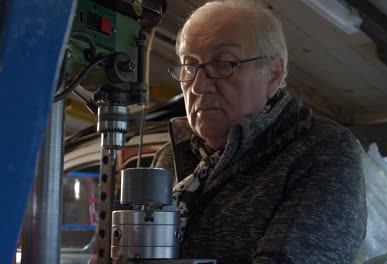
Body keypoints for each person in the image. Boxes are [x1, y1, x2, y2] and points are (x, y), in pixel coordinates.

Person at [152, 0, 367, 263]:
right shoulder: (168, 158)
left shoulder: (320, 150)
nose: (197, 87)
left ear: (273, 74)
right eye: (189, 66)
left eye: (223, 64)